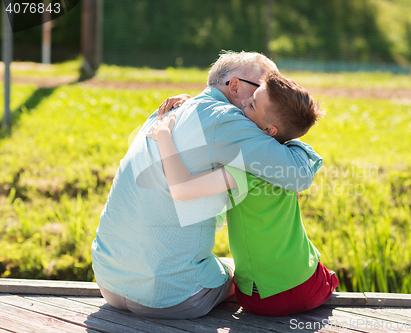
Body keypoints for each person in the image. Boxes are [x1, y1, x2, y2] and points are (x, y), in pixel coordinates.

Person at [91, 51, 322, 319]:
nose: (269, 93)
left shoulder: (170, 111)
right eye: (263, 86)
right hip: (170, 296)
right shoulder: (225, 118)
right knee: (244, 275)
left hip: (108, 281)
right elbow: (298, 174)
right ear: (235, 86)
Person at [147, 71, 338, 317]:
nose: (242, 105)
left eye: (251, 104)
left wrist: (164, 135)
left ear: (269, 129)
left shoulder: (240, 170)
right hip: (310, 285)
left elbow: (182, 189)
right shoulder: (289, 160)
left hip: (263, 299)